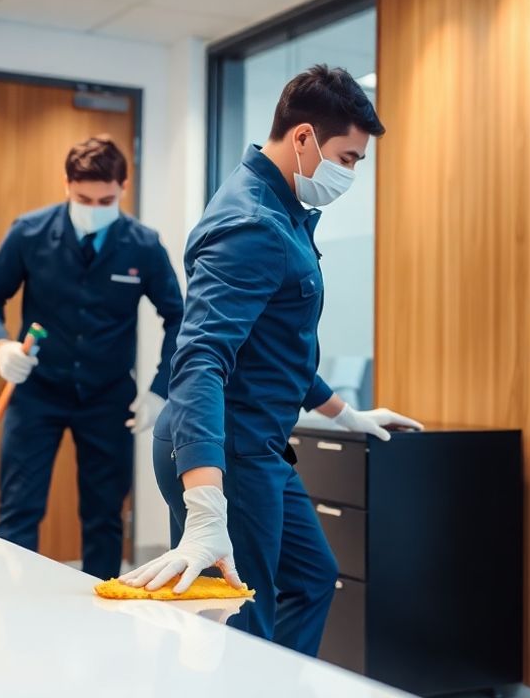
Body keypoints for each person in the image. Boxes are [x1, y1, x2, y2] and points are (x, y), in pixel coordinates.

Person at [120, 66, 423, 656]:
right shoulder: (253, 224)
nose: (351, 173)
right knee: (240, 619)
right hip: (226, 447)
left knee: (311, 578)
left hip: (257, 443)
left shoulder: (284, 211)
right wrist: (205, 503)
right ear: (304, 137)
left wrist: (345, 414)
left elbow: (274, 347)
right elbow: (200, 358)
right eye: (349, 158)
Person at [0, 136, 182, 580]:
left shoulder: (143, 245)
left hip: (108, 397)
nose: (94, 208)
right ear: (67, 184)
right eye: (84, 199)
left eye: (106, 200)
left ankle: (101, 606)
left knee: (105, 516)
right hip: (37, 394)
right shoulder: (29, 232)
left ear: (123, 187)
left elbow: (178, 317)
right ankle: (13, 606)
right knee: (18, 510)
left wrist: (160, 389)